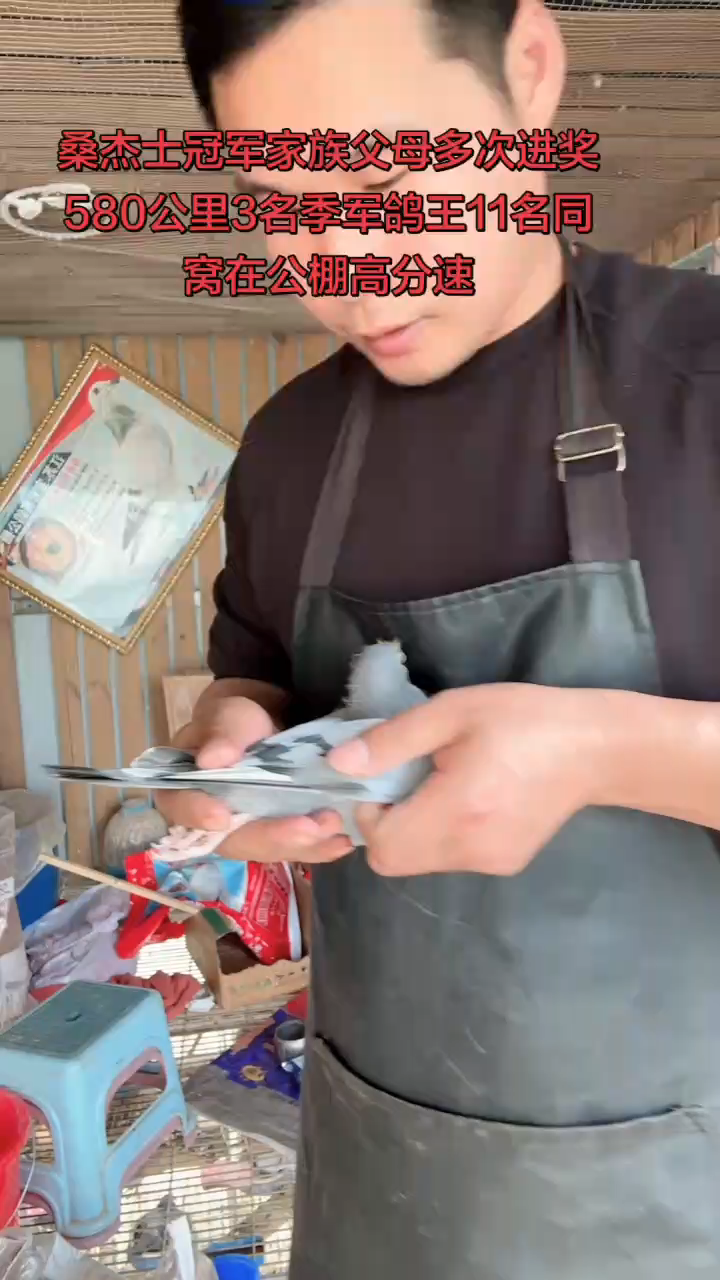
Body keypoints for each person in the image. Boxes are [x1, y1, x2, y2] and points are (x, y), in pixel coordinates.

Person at [164, 0, 720, 1275]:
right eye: (283, 205)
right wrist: (225, 747)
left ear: (529, 67)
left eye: (385, 183)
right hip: (380, 1183)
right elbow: (249, 675)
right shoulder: (289, 450)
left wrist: (603, 752)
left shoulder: (702, 384)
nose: (349, 271)